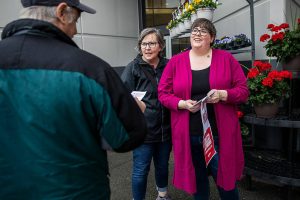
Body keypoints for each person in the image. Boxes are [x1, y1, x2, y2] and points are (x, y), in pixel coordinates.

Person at [0, 0, 147, 199]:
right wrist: (136, 110)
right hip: (75, 191)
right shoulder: (91, 69)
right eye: (76, 20)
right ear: (61, 12)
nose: (75, 30)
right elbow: (126, 137)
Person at [158, 18, 249, 200]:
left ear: (212, 37)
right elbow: (163, 93)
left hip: (218, 133)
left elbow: (243, 90)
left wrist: (223, 94)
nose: (197, 33)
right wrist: (182, 104)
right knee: (198, 180)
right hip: (189, 133)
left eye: (203, 31)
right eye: (194, 30)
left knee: (225, 180)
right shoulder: (176, 62)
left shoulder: (226, 59)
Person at [121, 28, 172, 200]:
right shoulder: (133, 67)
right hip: (143, 131)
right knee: (141, 170)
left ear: (161, 46)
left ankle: (163, 195)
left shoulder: (169, 65)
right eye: (144, 44)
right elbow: (122, 95)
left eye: (151, 43)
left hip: (166, 129)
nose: (147, 47)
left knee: (163, 165)